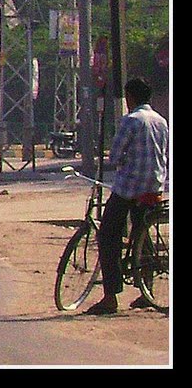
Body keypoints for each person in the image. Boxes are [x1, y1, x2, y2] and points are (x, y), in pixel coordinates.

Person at [86, 77, 169, 315]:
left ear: (129, 97)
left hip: (129, 187)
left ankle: (110, 296)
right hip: (154, 186)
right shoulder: (161, 121)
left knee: (108, 236)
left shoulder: (131, 120)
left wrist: (121, 162)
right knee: (142, 233)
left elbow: (114, 156)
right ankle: (147, 289)